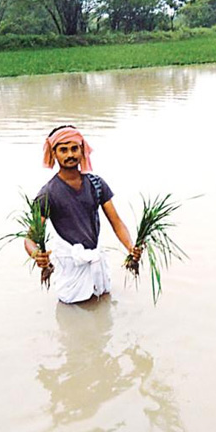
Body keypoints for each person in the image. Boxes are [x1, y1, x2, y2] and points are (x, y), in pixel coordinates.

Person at [24, 125, 142, 304]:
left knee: (103, 309)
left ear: (82, 150)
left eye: (74, 148)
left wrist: (131, 247)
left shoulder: (96, 184)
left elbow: (116, 222)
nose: (70, 154)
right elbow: (30, 239)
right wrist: (36, 255)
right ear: (54, 154)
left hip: (96, 260)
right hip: (71, 266)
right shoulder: (47, 194)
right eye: (63, 150)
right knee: (72, 309)